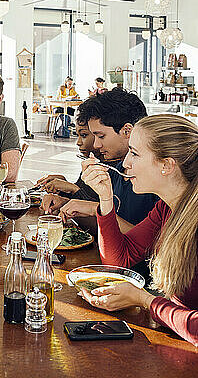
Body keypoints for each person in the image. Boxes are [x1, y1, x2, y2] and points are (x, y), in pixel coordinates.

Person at [76, 114, 198, 347]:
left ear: (167, 165)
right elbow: (119, 259)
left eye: (135, 153)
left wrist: (145, 300)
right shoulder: (167, 207)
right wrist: (105, 199)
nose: (125, 163)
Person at [44, 88, 158, 229]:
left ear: (127, 131)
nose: (96, 145)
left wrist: (94, 209)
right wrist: (69, 205)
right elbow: (107, 231)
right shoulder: (117, 171)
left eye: (101, 136)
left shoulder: (156, 179)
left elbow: (146, 243)